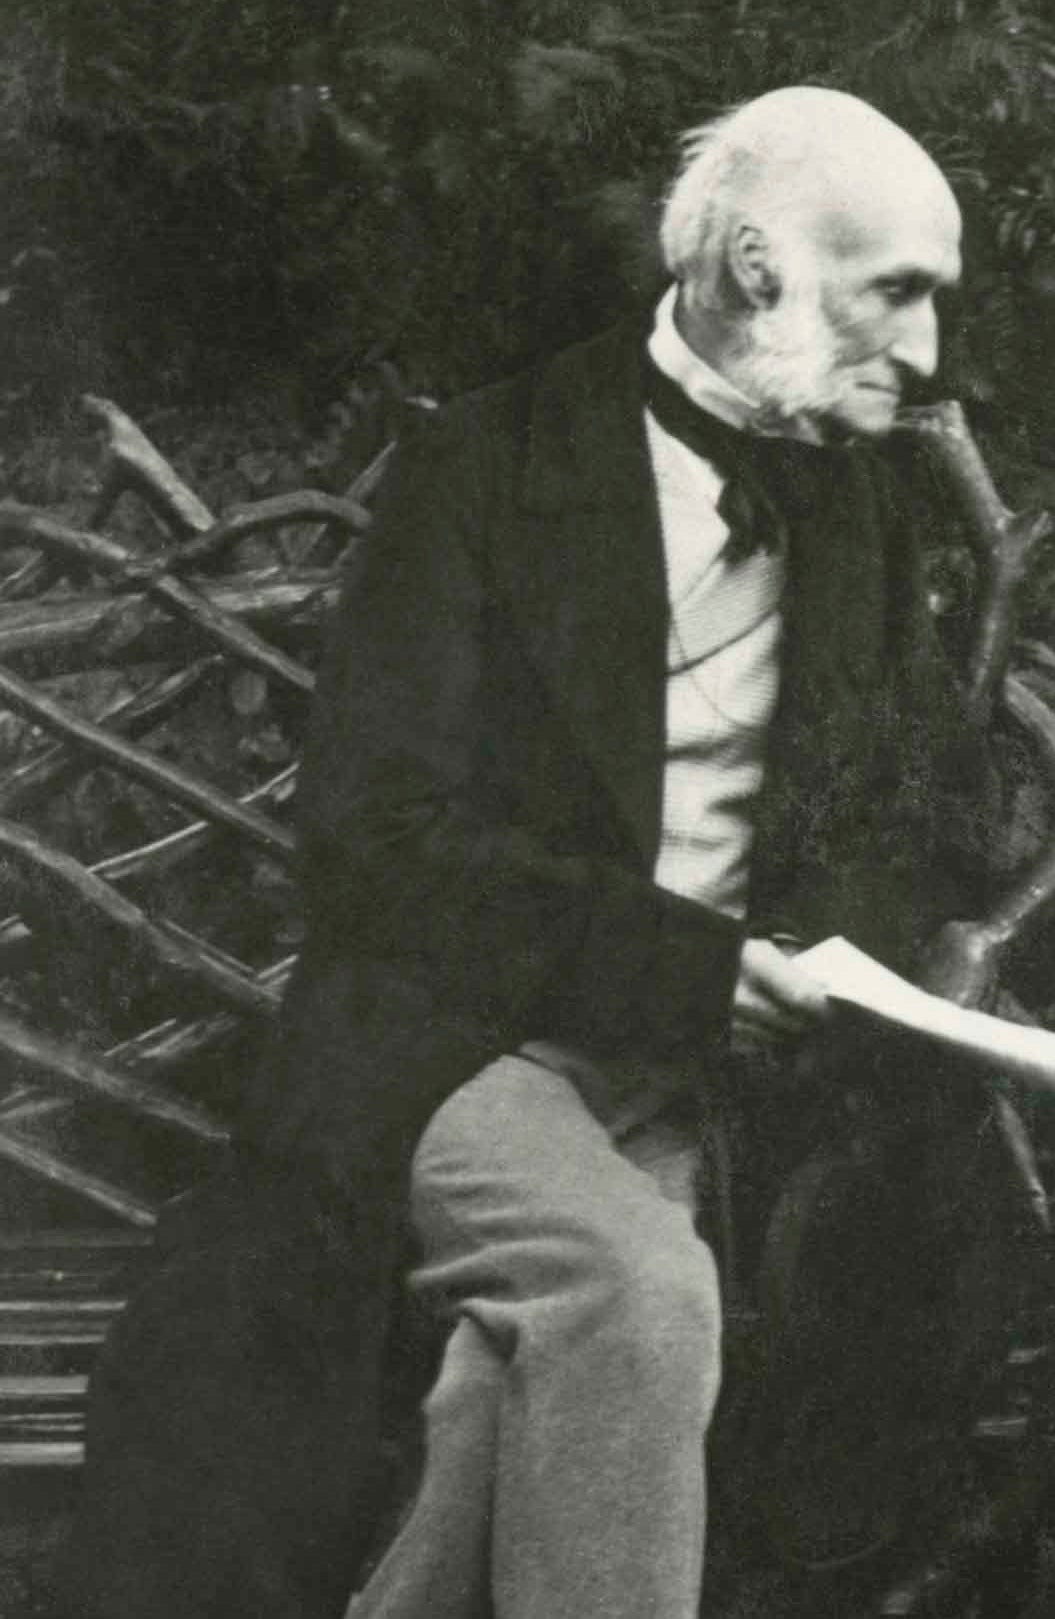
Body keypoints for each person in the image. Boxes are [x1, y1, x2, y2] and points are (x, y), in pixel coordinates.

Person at [58, 87, 995, 1619]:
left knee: (502, 1388)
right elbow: (376, 845)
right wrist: (692, 968)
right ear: (754, 267)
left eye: (938, 302)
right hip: (467, 1046)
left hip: (713, 1087)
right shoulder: (486, 470)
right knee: (635, 1291)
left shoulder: (860, 507)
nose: (929, 353)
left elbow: (909, 823)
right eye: (896, 293)